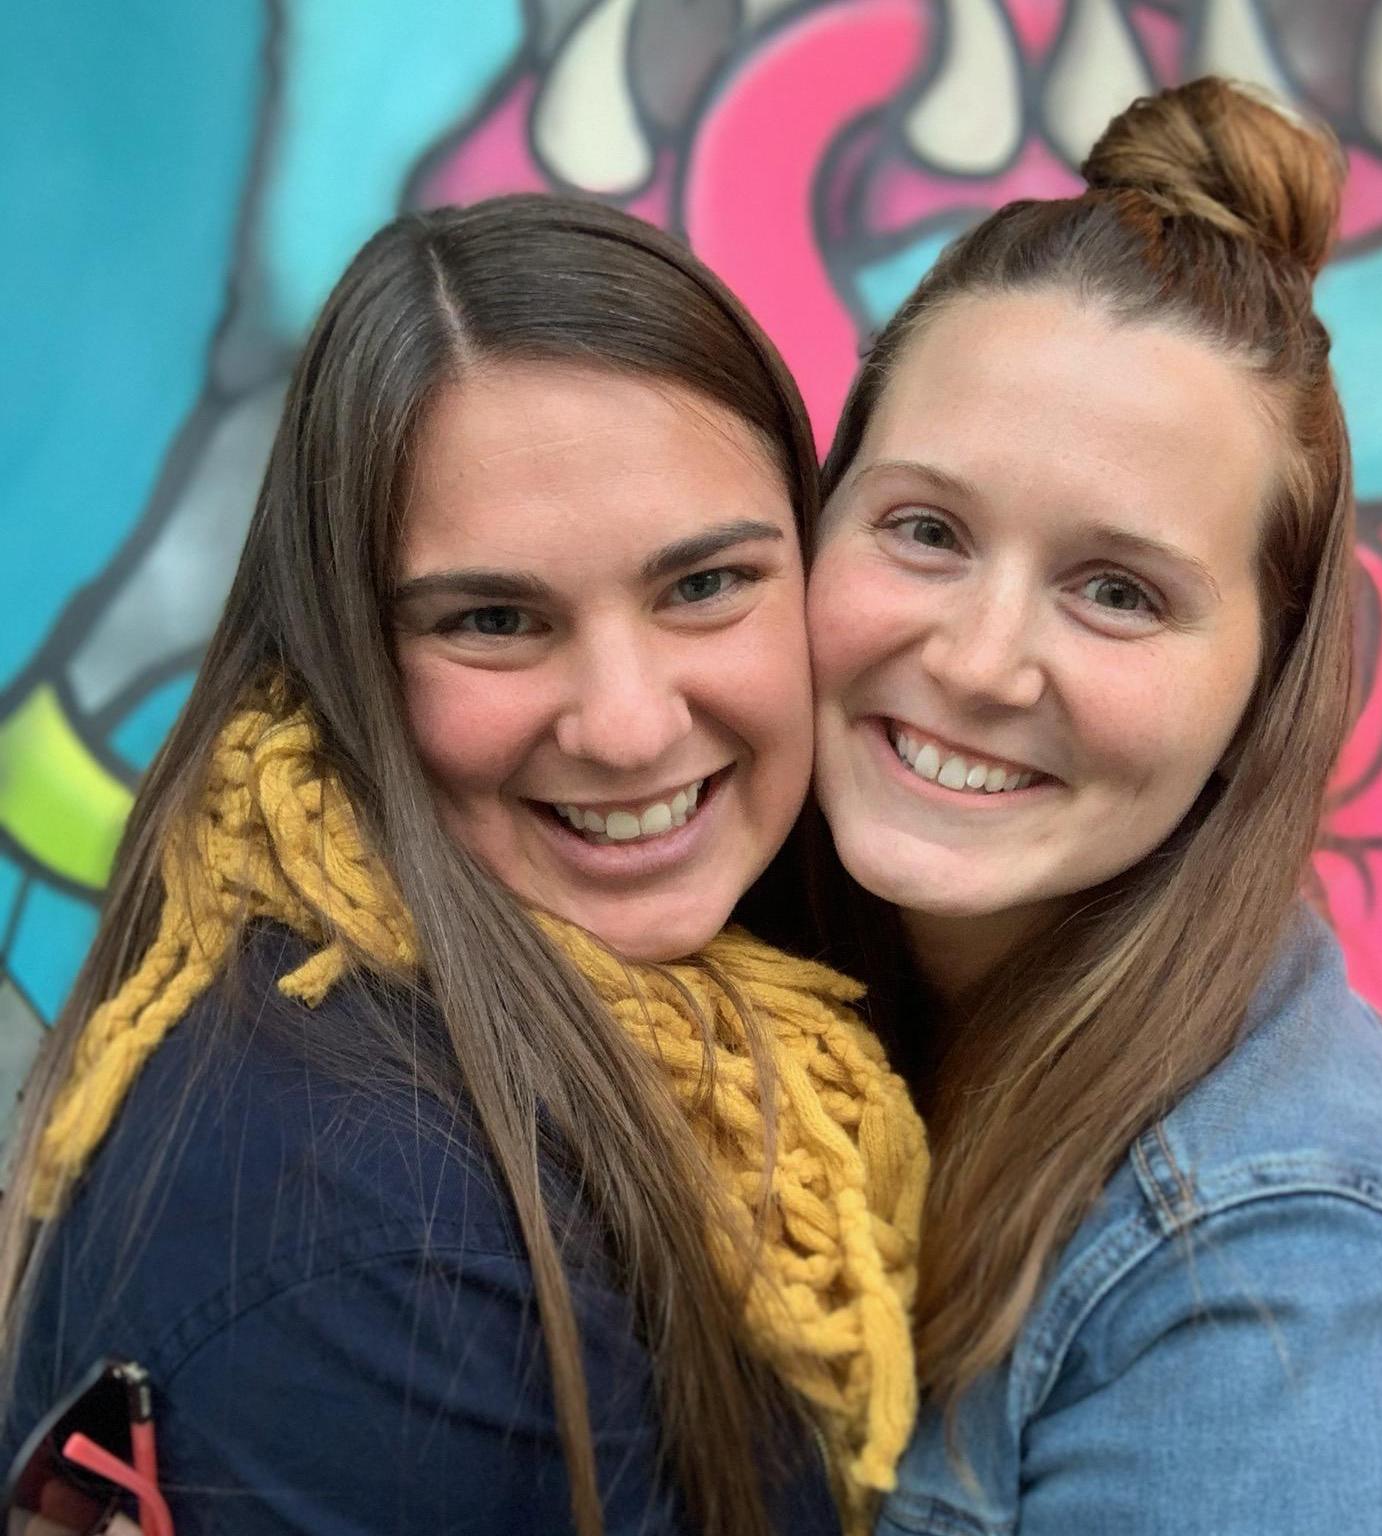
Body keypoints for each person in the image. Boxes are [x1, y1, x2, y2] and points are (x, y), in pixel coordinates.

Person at [0, 196, 927, 1536]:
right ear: (345, 648)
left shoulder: (715, 1003)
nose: (628, 726)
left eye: (704, 586)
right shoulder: (392, 1244)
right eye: (494, 619)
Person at [802, 77, 1382, 1532]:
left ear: (1268, 681)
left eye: (1117, 592)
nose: (979, 662)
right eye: (926, 529)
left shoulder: (1268, 1271)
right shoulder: (719, 958)